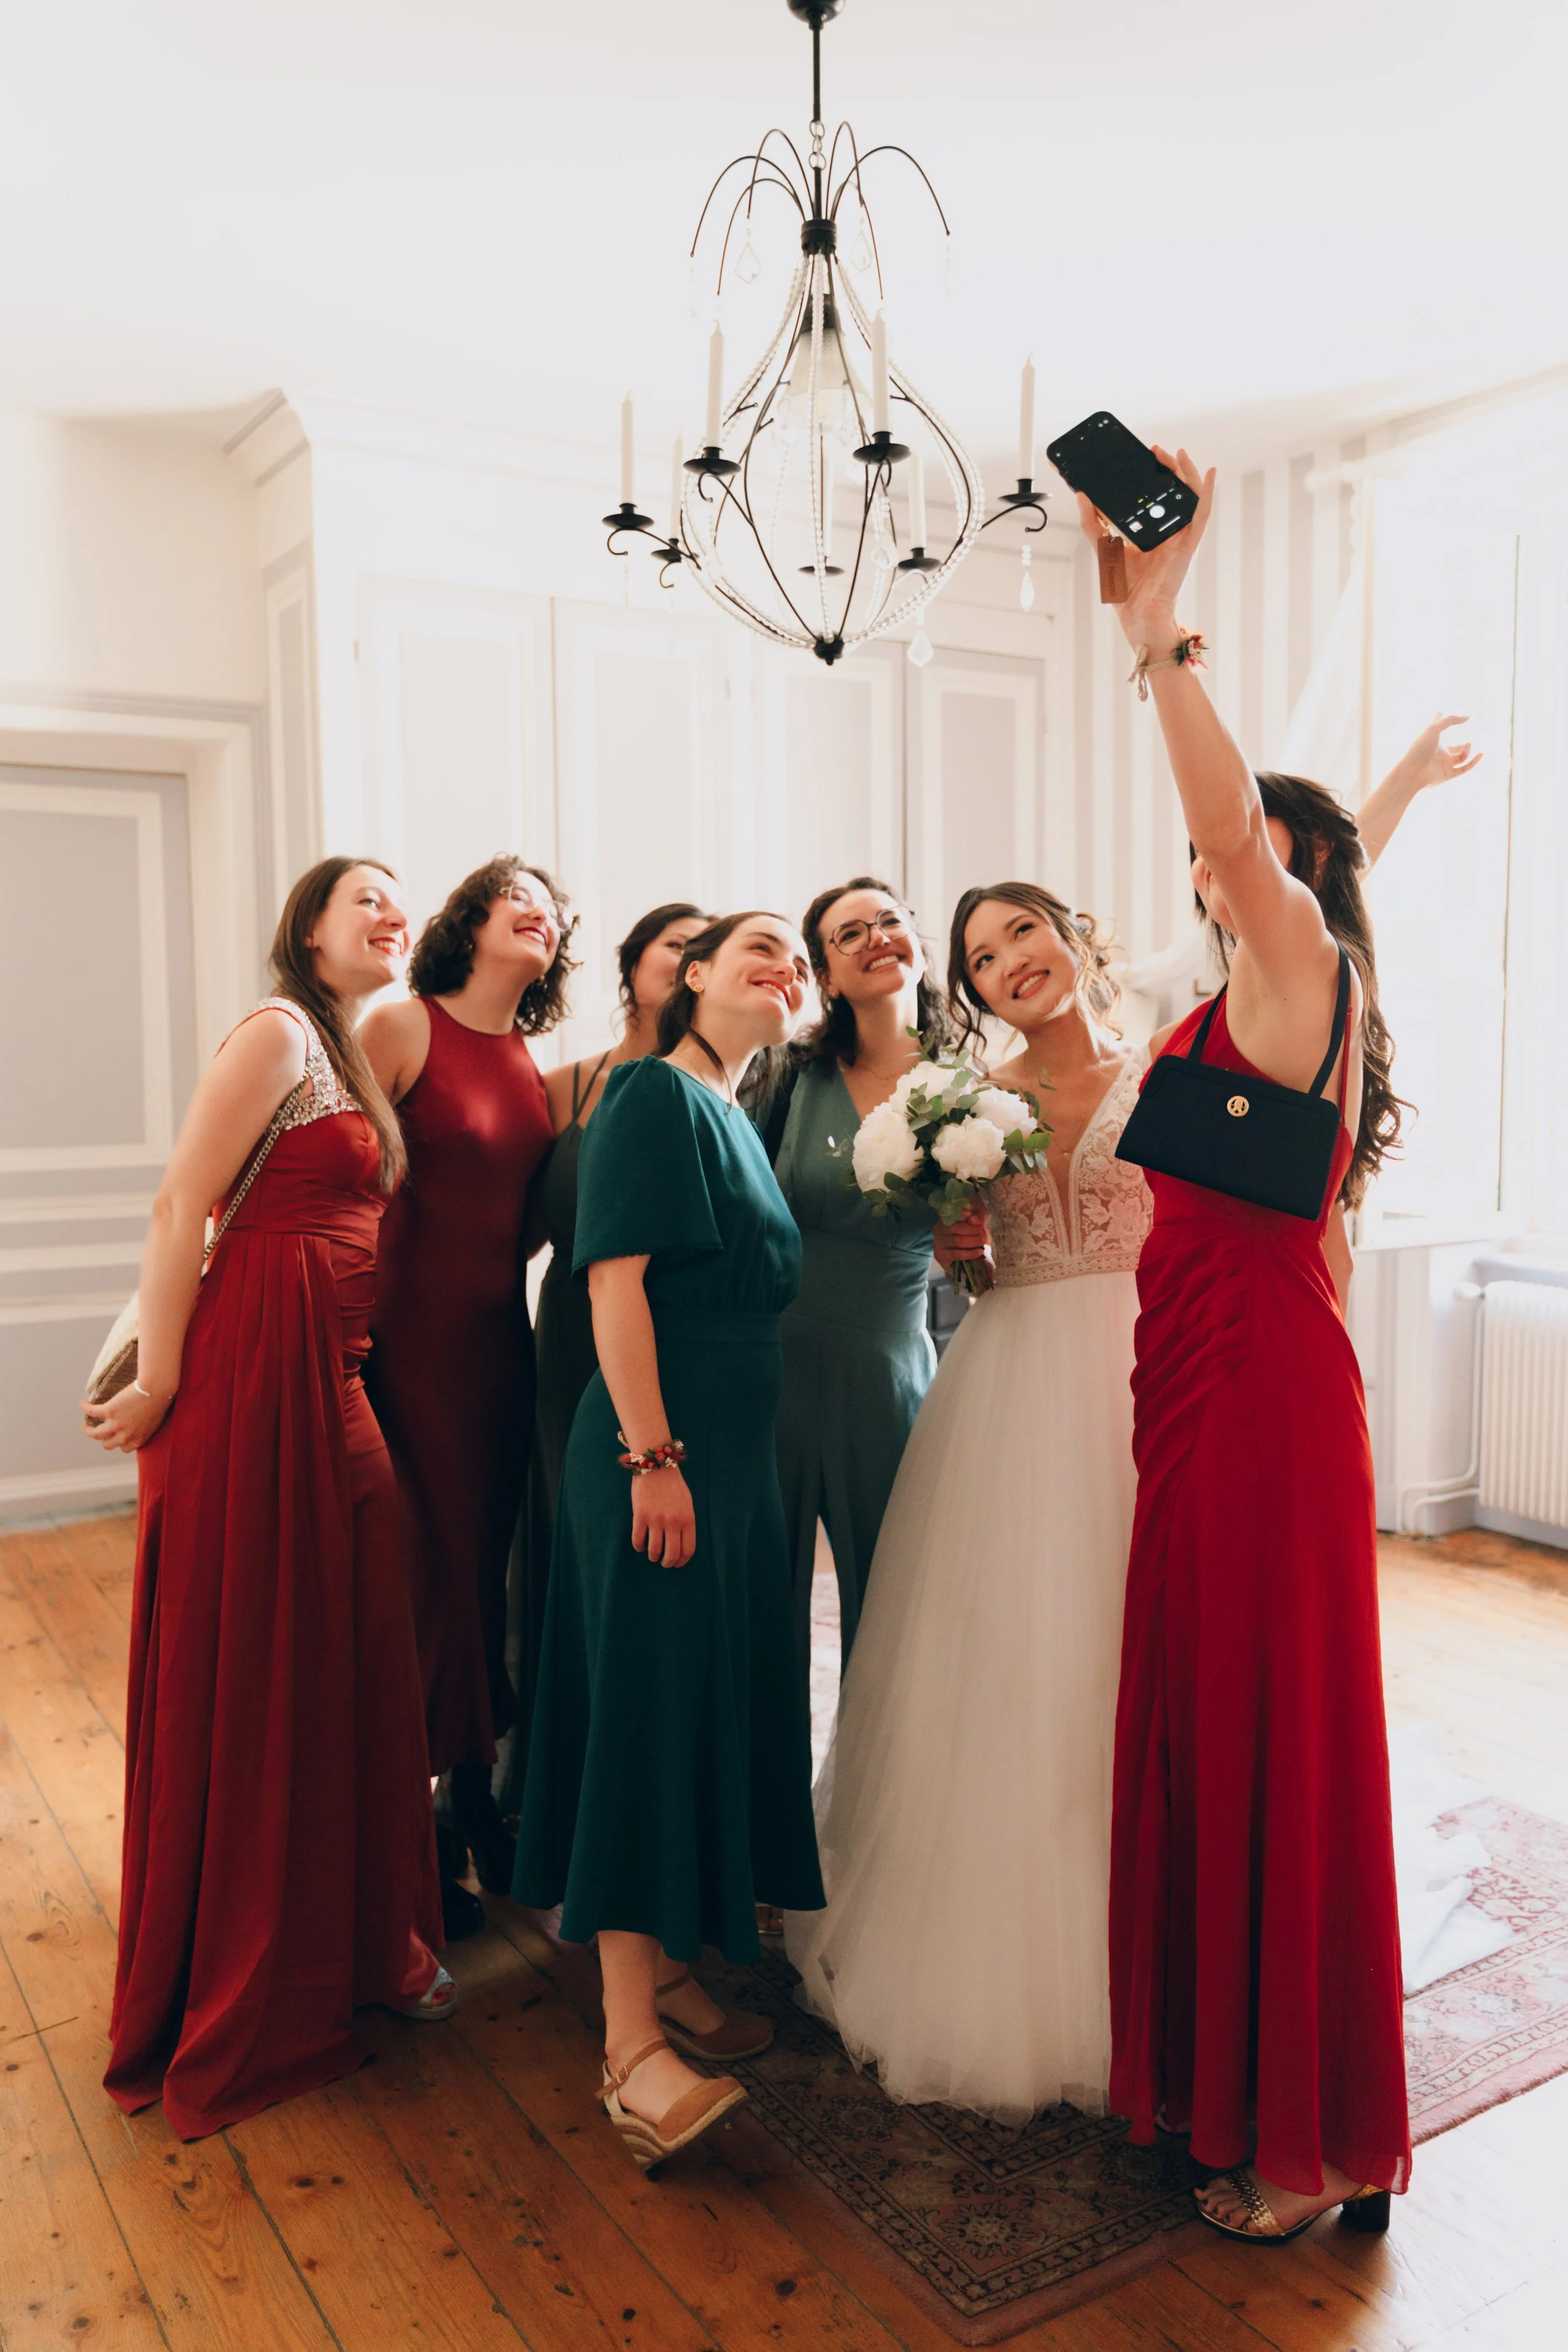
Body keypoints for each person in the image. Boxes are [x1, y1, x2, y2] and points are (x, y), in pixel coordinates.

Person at [1081, 453, 1410, 2240]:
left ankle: (1301, 2136)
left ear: (1280, 863)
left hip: (1259, 1394)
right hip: (1203, 1383)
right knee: (1218, 1725)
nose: (1213, 860)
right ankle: (1242, 2091)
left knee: (1272, 1734)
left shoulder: (1292, 970)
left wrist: (1156, 632)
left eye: (1248, 845)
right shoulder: (1229, 998)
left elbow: (1230, 836)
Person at [87, 857, 451, 2143]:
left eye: (403, 903)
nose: (391, 914)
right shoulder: (279, 1031)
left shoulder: (349, 1052)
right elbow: (183, 1202)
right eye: (369, 898)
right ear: (308, 926)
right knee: (261, 1663)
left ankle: (357, 1944)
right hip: (251, 1379)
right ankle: (259, 1971)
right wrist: (164, 1377)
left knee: (350, 1647)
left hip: (328, 1377)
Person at [786, 883, 1148, 2119]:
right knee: (1021, 1662)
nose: (1006, 965)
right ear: (975, 993)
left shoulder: (1172, 1067)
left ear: (1073, 935)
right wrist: (962, 1241)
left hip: (1152, 1369)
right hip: (1011, 1385)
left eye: (1022, 935)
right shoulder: (965, 1102)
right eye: (982, 958)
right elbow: (964, 1259)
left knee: (1142, 1647)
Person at [514, 911, 825, 2171]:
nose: (783, 964)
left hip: (729, 1462)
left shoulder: (734, 1118)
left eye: (792, 957)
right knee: (643, 1715)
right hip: (660, 1451)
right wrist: (651, 1455)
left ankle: (681, 1970)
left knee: (706, 1704)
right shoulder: (651, 1091)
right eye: (753, 946)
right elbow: (611, 1284)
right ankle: (628, 2048)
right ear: (690, 977)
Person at [362, 856, 568, 1936]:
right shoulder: (403, 1027)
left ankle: (471, 1799)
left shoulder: (536, 1060)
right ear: (471, 920)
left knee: (482, 1579)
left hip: (497, 1347)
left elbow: (522, 1219)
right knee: (423, 1584)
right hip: (405, 1348)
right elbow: (335, 1176)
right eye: (517, 896)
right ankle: (409, 1842)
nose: (541, 911)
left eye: (552, 908)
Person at [507, 901, 709, 1769]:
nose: (694, 961)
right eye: (677, 945)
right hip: (569, 1338)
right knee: (567, 1540)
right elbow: (506, 1224)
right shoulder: (569, 1085)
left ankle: (651, 1761)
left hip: (676, 1337)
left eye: (709, 948)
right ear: (631, 969)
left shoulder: (724, 1088)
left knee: (657, 1557)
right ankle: (553, 1768)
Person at [768, 879, 970, 1673]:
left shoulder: (967, 1087)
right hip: (772, 1367)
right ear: (823, 973)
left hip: (886, 1376)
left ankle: (871, 1793)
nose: (877, 937)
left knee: (889, 1601)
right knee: (763, 1596)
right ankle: (766, 1796)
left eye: (889, 920)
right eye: (849, 933)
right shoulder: (785, 1075)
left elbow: (978, 1247)